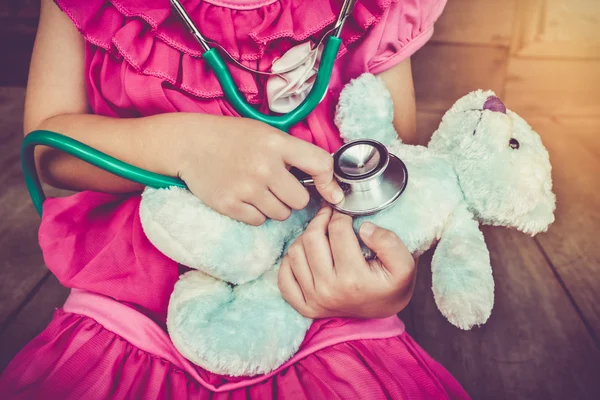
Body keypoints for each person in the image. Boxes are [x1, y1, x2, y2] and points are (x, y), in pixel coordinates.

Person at [0, 0, 470, 398]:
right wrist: (185, 147)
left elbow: (392, 179)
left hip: (316, 306)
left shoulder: (374, 8)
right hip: (131, 303)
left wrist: (384, 293)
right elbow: (49, 149)